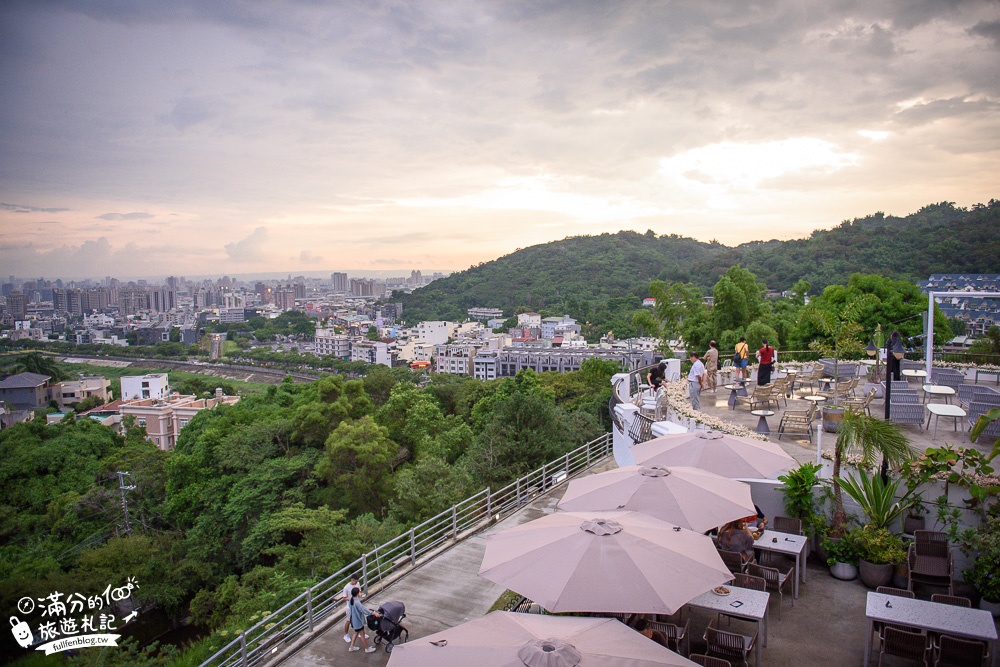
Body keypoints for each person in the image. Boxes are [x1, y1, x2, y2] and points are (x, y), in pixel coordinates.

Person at [347, 587, 377, 653]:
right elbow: (363, 610)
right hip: (358, 621)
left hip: (354, 620)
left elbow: (360, 608)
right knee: (362, 635)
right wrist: (372, 613)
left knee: (356, 633)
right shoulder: (357, 602)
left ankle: (351, 647)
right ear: (357, 593)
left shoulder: (351, 600)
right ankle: (367, 648)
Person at [342, 574, 366, 642]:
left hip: (357, 604)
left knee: (359, 617)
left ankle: (360, 633)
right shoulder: (346, 587)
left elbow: (358, 591)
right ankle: (346, 634)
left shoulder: (357, 583)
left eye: (357, 581)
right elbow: (344, 597)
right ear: (352, 580)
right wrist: (351, 599)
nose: (356, 582)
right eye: (355, 581)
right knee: (349, 620)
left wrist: (360, 595)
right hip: (350, 606)